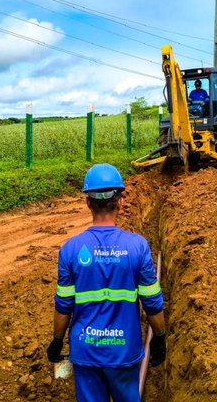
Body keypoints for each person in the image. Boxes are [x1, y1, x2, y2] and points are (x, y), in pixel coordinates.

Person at [47, 164, 166, 402]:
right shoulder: (138, 246)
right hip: (124, 350)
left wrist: (57, 340)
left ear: (88, 203)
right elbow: (152, 301)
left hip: (86, 351)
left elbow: (64, 305)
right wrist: (160, 337)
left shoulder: (70, 249)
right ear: (120, 202)